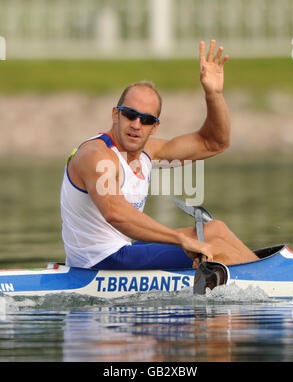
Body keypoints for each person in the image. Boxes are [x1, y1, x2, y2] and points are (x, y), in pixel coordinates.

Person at [60, 40, 258, 270]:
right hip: (97, 262)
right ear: (116, 114)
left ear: (154, 127)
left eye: (146, 120)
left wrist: (213, 94)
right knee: (216, 250)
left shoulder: (149, 153)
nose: (136, 124)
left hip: (123, 251)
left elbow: (214, 143)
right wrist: (181, 239)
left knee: (216, 230)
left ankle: (269, 276)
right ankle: (276, 285)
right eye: (130, 114)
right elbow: (116, 213)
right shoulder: (96, 156)